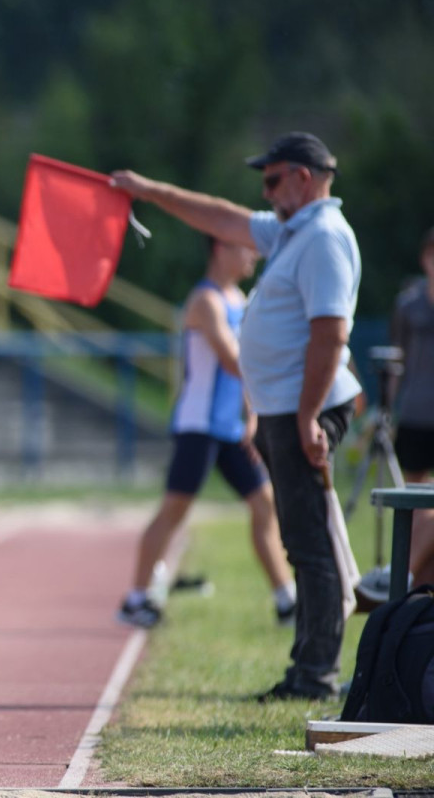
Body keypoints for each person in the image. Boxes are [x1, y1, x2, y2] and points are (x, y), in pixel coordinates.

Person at [111, 131, 362, 701]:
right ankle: (308, 663)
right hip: (279, 409)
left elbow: (330, 333)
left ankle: (314, 674)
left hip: (302, 407)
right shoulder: (294, 231)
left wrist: (305, 418)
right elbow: (221, 217)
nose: (266, 193)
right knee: (297, 536)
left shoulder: (322, 236)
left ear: (303, 176)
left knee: (308, 542)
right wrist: (149, 191)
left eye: (273, 180)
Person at [117, 237, 295, 629]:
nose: (252, 254)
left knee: (264, 504)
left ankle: (286, 599)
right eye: (243, 247)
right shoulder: (205, 301)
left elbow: (246, 369)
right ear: (219, 250)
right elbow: (235, 361)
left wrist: (252, 418)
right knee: (174, 510)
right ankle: (135, 598)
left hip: (231, 430)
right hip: (198, 427)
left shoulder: (241, 300)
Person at [360, 227, 434, 596]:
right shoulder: (409, 305)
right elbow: (397, 358)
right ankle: (406, 577)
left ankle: (404, 575)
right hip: (417, 414)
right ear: (425, 259)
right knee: (415, 500)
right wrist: (385, 411)